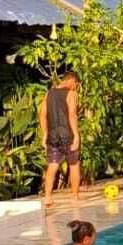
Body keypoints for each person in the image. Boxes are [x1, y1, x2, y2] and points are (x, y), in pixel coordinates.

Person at [40, 71, 82, 204]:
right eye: (76, 84)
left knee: (52, 166)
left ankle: (48, 197)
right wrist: (76, 135)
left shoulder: (49, 93)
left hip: (53, 135)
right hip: (67, 134)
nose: (75, 87)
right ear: (72, 81)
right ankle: (74, 197)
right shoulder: (71, 94)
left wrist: (45, 134)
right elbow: (72, 115)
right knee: (74, 165)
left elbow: (42, 115)